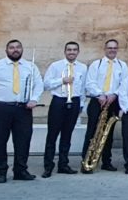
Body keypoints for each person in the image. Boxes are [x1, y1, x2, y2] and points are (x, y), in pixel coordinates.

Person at [0, 39, 44, 183]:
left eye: (18, 47)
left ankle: (20, 170)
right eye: (12, 47)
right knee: (0, 140)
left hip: (23, 108)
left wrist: (34, 99)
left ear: (22, 49)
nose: (15, 50)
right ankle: (1, 172)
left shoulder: (30, 66)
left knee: (23, 141)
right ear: (6, 50)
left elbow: (38, 85)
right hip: (0, 108)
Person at [82, 39, 128, 172]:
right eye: (109, 48)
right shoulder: (96, 64)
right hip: (97, 101)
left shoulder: (122, 65)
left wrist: (114, 95)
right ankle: (86, 160)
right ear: (105, 49)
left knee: (108, 133)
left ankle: (106, 161)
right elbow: (90, 83)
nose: (112, 50)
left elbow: (124, 84)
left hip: (113, 102)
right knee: (92, 131)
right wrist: (100, 94)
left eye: (114, 48)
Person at [42, 41, 86, 178]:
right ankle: (48, 166)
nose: (71, 52)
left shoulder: (83, 67)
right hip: (58, 101)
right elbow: (46, 84)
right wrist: (62, 80)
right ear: (65, 51)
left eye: (74, 50)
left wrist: (81, 105)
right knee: (52, 135)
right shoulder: (55, 66)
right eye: (69, 50)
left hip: (74, 101)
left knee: (67, 135)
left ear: (78, 52)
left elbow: (83, 87)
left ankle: (63, 164)